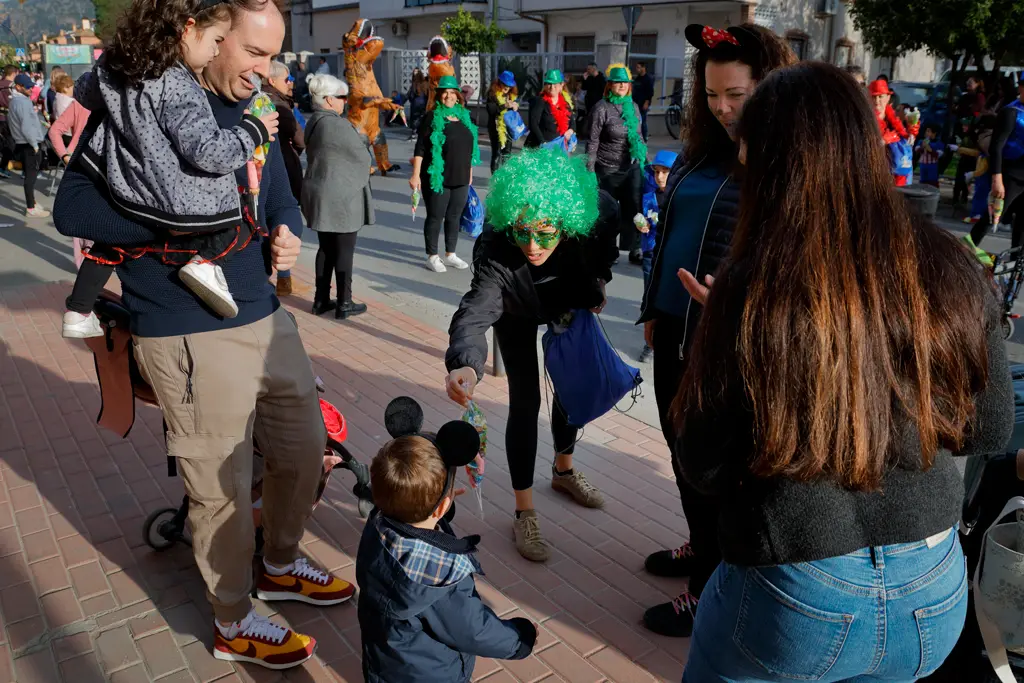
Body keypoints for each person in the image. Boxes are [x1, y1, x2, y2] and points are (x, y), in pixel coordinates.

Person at [676, 60, 1013, 682]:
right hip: (933, 590)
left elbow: (703, 462)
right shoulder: (951, 266)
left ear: (773, 163)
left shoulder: (753, 290)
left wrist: (734, 342)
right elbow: (989, 432)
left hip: (796, 593)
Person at [53, 0, 354, 669]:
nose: (264, 70)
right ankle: (232, 616)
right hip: (186, 328)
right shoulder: (143, 109)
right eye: (253, 52)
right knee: (217, 485)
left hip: (267, 317)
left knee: (304, 450)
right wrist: (179, 226)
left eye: (274, 56)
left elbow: (277, 192)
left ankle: (278, 561)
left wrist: (288, 231)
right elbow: (71, 206)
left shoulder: (260, 115)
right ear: (208, 40)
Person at [637, 23, 796, 638]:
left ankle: (713, 588)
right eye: (711, 94)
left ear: (772, 89)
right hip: (676, 331)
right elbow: (670, 234)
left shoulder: (779, 164)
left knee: (718, 465)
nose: (723, 108)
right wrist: (653, 306)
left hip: (730, 346)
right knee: (682, 453)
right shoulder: (702, 152)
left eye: (737, 94)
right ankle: (702, 548)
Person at [60, 0, 282, 339]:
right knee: (232, 219)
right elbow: (210, 153)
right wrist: (254, 130)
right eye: (215, 41)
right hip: (172, 200)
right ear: (188, 29)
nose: (214, 51)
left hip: (122, 186)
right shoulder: (179, 86)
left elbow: (85, 92)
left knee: (109, 246)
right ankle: (203, 264)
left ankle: (77, 312)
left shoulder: (119, 66)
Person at [444, 149, 619, 562]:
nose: (533, 244)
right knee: (525, 401)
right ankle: (524, 511)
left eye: (545, 231)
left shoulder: (595, 221)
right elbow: (476, 309)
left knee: (570, 384)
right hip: (516, 307)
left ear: (567, 221)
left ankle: (563, 470)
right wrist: (465, 364)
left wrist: (599, 281)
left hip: (565, 298)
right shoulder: (500, 248)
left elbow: (608, 242)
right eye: (523, 231)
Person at [357, 401, 538, 682]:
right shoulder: (437, 578)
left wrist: (437, 507)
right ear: (441, 508)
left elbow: (407, 515)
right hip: (433, 674)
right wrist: (518, 638)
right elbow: (473, 629)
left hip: (383, 664)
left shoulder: (377, 527)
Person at [302, 73, 371, 320]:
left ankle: (321, 300)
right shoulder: (336, 124)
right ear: (329, 100)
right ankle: (344, 302)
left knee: (326, 248)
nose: (345, 102)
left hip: (320, 192)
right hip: (340, 197)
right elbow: (362, 158)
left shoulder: (315, 121)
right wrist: (363, 141)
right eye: (342, 98)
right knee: (344, 249)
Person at [409, 75, 478, 274]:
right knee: (435, 216)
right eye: (444, 92)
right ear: (440, 95)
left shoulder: (464, 117)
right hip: (437, 176)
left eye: (452, 92)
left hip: (461, 176)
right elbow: (420, 148)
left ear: (458, 95)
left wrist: (470, 172)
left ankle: (450, 253)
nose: (448, 96)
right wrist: (415, 175)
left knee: (454, 216)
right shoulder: (432, 117)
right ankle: (432, 255)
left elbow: (470, 149)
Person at [587, 64, 646, 261]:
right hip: (607, 168)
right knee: (609, 210)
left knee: (636, 206)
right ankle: (608, 249)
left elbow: (639, 136)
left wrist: (644, 160)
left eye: (625, 82)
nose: (621, 85)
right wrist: (589, 170)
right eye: (617, 82)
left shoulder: (634, 106)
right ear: (610, 85)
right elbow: (592, 140)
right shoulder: (601, 108)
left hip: (631, 166)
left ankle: (634, 247)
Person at [968, 76, 1024, 248]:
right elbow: (996, 147)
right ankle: (964, 253)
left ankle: (1017, 270)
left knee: (1022, 226)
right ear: (1021, 88)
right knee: (990, 218)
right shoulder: (1011, 111)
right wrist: (997, 178)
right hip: (1010, 176)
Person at [636, 149, 677, 363]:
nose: (659, 177)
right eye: (656, 172)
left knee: (667, 296)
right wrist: (640, 222)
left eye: (665, 172)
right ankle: (649, 342)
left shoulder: (680, 196)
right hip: (651, 252)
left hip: (671, 255)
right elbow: (642, 217)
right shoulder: (648, 196)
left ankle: (666, 339)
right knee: (650, 294)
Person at [8, 73, 48, 218]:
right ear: (18, 87)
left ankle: (33, 203)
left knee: (29, 175)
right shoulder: (23, 102)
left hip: (21, 142)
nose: (31, 89)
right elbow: (26, 126)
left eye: (31, 86)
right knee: (31, 177)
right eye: (28, 87)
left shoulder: (14, 101)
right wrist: (35, 145)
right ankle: (31, 208)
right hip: (28, 144)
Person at [869, 78, 917, 186]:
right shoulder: (867, 118)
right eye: (873, 97)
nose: (877, 101)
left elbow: (903, 135)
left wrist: (912, 133)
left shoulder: (893, 116)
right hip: (876, 168)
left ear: (888, 97)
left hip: (898, 165)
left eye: (880, 96)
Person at [526, 69, 575, 149]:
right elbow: (533, 124)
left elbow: (572, 123)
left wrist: (570, 131)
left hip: (558, 148)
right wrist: (543, 142)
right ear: (545, 85)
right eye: (549, 84)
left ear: (561, 85)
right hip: (540, 148)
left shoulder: (565, 104)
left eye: (555, 84)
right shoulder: (540, 101)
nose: (552, 87)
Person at [485, 71, 519, 173]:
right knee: (497, 153)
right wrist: (505, 106)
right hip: (496, 128)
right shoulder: (492, 95)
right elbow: (491, 111)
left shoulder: (510, 95)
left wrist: (515, 107)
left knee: (507, 153)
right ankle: (495, 179)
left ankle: (506, 178)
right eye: (505, 84)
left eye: (509, 85)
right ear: (499, 83)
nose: (507, 87)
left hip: (508, 127)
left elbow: (512, 113)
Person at [0, 65, 18, 180]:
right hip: (8, 118)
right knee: (10, 143)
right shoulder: (11, 86)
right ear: (13, 73)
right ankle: (2, 167)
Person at [580, 61, 606, 138]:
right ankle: (589, 133)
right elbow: (584, 88)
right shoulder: (590, 78)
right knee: (590, 118)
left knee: (597, 119)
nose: (587, 71)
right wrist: (584, 79)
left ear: (593, 69)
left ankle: (596, 134)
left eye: (589, 69)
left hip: (597, 102)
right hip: (589, 103)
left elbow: (604, 91)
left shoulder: (601, 78)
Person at [632, 61, 655, 141]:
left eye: (638, 67)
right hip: (636, 103)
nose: (636, 69)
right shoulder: (638, 78)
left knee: (643, 121)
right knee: (636, 120)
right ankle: (637, 136)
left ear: (643, 68)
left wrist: (647, 102)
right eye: (636, 67)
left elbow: (650, 92)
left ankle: (644, 137)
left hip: (643, 103)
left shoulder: (648, 79)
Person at [407, 67, 429, 132]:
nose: (415, 73)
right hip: (422, 102)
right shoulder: (424, 82)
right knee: (421, 117)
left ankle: (415, 131)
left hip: (417, 103)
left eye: (416, 72)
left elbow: (411, 94)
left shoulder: (416, 83)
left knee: (416, 117)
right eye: (414, 72)